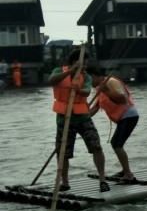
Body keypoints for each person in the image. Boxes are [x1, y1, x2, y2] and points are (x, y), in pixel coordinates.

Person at [47, 49, 109, 192]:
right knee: (63, 152)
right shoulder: (58, 71)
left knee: (96, 147)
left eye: (87, 62)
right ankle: (65, 182)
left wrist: (79, 90)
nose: (86, 65)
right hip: (64, 118)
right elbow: (51, 81)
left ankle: (102, 180)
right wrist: (70, 72)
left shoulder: (85, 77)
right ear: (75, 62)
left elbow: (87, 90)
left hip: (83, 117)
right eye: (84, 62)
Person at [87, 66, 139, 183]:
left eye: (89, 80)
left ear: (95, 76)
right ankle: (124, 170)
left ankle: (128, 174)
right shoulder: (100, 88)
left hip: (129, 115)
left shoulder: (110, 82)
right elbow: (96, 107)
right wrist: (83, 116)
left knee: (116, 144)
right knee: (116, 143)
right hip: (123, 118)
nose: (89, 84)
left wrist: (104, 90)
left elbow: (122, 99)